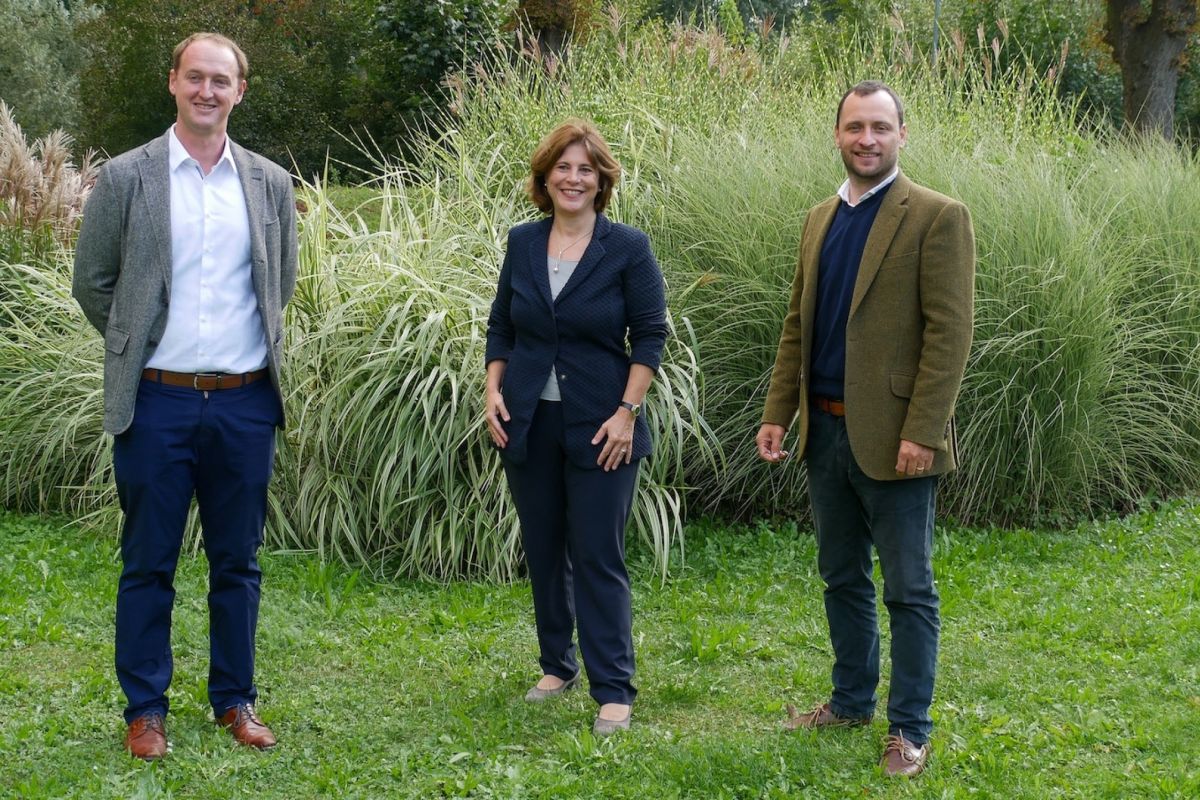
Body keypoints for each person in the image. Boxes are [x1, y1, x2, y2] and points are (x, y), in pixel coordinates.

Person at [72, 32, 298, 760]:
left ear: (240, 91)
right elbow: (93, 281)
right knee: (149, 562)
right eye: (195, 77)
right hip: (157, 402)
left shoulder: (267, 183)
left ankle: (234, 699)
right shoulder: (127, 176)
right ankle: (146, 710)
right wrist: (138, 339)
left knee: (239, 562)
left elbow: (279, 284)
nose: (207, 91)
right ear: (173, 82)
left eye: (221, 81)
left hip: (243, 401)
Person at [755, 81, 975, 777]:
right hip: (824, 434)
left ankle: (909, 729)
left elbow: (951, 333)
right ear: (838, 134)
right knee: (839, 576)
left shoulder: (937, 216)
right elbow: (799, 325)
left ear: (903, 135)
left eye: (881, 126)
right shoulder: (820, 218)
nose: (867, 138)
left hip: (898, 441)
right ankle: (850, 701)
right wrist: (777, 411)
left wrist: (923, 429)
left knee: (909, 589)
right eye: (855, 126)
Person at [485, 118, 668, 737]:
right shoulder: (521, 242)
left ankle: (613, 688)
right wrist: (493, 392)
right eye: (563, 167)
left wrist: (627, 412)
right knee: (543, 550)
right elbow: (501, 327)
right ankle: (556, 667)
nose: (573, 178)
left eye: (585, 168)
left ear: (602, 180)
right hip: (528, 421)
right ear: (545, 177)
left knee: (596, 554)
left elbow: (649, 335)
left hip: (603, 425)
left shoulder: (627, 248)